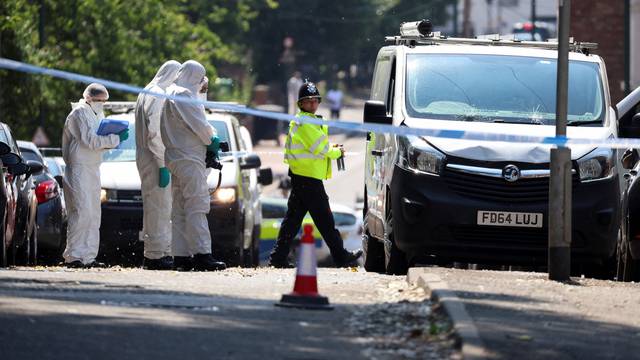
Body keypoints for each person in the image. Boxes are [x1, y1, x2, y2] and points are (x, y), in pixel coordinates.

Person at [269, 81, 363, 268]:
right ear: (301, 104)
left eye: (315, 101)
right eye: (308, 101)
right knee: (325, 219)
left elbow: (316, 147)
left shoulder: (304, 120)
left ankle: (278, 257)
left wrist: (332, 148)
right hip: (308, 179)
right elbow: (320, 148)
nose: (312, 104)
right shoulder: (306, 122)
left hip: (302, 177)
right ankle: (340, 255)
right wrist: (337, 152)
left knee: (293, 220)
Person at [160, 60, 226, 271]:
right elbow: (200, 125)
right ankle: (202, 254)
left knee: (179, 208)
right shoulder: (184, 95)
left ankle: (181, 257)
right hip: (188, 159)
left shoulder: (170, 92)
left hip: (175, 157)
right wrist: (213, 140)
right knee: (197, 206)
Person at [62, 83, 128, 268]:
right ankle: (74, 256)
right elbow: (89, 140)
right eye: (99, 100)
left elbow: (98, 142)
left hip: (93, 166)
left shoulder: (98, 114)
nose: (102, 104)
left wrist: (115, 138)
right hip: (79, 168)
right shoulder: (79, 113)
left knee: (93, 214)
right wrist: (114, 139)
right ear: (89, 98)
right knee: (81, 211)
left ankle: (88, 257)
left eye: (104, 101)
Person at [135, 60, 181, 270]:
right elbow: (155, 133)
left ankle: (159, 252)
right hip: (155, 159)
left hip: (149, 157)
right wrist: (163, 164)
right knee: (159, 208)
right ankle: (155, 256)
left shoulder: (148, 91)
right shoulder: (157, 94)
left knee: (158, 206)